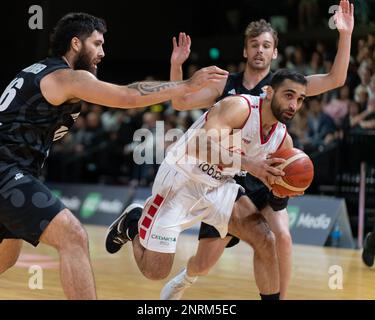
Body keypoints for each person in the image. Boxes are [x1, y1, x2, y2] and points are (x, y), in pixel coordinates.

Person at [0, 12, 228, 300]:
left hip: (15, 172)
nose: (102, 52)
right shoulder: (65, 76)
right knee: (73, 236)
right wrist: (186, 85)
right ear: (75, 44)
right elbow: (126, 97)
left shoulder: (37, 71)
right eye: (97, 44)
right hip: (7, 171)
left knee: (6, 256)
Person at [158, 0, 353, 300]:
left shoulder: (287, 86)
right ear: (245, 51)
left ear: (275, 52)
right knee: (204, 262)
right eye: (254, 45)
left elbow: (335, 79)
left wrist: (345, 34)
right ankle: (187, 278)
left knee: (281, 239)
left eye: (266, 45)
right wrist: (176, 65)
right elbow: (179, 102)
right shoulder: (226, 85)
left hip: (264, 174)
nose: (260, 50)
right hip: (224, 177)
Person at [105, 69, 308, 300]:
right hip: (182, 178)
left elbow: (276, 201)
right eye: (288, 95)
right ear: (269, 92)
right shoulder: (239, 107)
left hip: (219, 185)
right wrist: (249, 164)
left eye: (300, 99)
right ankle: (133, 223)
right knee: (155, 271)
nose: (294, 105)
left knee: (265, 238)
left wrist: (282, 190)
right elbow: (198, 148)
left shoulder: (283, 139)